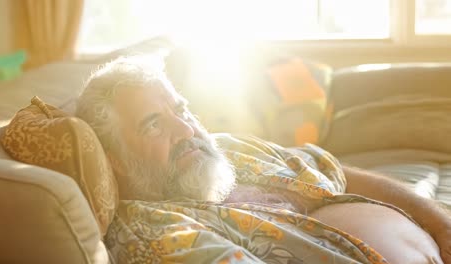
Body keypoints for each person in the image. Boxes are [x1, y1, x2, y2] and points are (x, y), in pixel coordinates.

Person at [76, 56, 451, 264]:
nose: (187, 130)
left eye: (182, 110)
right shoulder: (156, 234)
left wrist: (440, 222)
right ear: (117, 161)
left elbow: (337, 172)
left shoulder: (230, 150)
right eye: (154, 125)